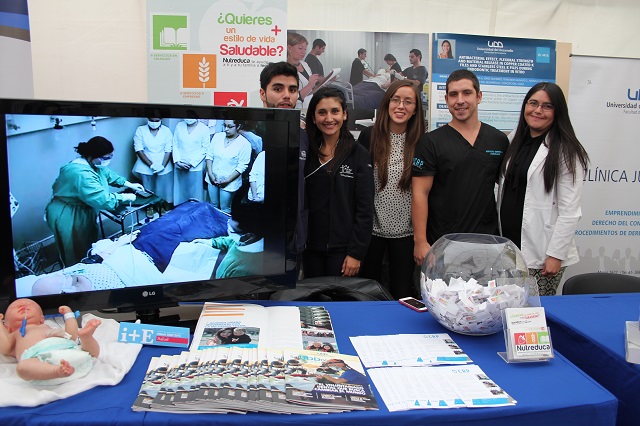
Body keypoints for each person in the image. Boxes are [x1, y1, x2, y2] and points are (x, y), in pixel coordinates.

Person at [498, 82, 589, 296]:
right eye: (533, 103)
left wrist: (556, 255)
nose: (538, 110)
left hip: (542, 254)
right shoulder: (515, 139)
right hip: (510, 248)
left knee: (534, 310)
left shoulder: (566, 151)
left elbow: (570, 210)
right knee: (508, 307)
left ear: (558, 112)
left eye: (547, 106)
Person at [412, 69, 509, 266]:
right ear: (446, 99)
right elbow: (420, 193)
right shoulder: (431, 142)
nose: (460, 100)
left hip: (487, 244)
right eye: (453, 94)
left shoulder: (498, 140)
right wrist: (420, 241)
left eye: (467, 93)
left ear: (479, 96)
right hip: (443, 245)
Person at [359, 80, 425, 298]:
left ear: (416, 109)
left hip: (406, 234)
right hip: (371, 233)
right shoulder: (369, 136)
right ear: (387, 103)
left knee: (403, 294)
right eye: (395, 100)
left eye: (408, 102)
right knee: (369, 295)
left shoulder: (423, 143)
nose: (401, 106)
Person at [303, 87, 374, 278]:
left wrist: (356, 253)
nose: (329, 118)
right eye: (322, 112)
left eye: (335, 111)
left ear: (344, 114)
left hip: (343, 253)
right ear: (313, 117)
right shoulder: (305, 152)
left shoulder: (358, 154)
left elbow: (365, 209)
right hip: (309, 249)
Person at [45, 136, 144, 266]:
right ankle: (79, 272)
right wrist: (124, 197)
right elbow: (103, 200)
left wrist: (128, 183)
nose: (107, 161)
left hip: (82, 210)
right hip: (68, 214)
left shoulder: (93, 164)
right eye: (105, 158)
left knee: (87, 242)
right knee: (75, 248)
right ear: (92, 155)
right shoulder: (81, 173)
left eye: (110, 157)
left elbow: (107, 174)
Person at [259, 61, 308, 268]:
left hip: (293, 241)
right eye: (278, 89)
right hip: (257, 239)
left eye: (293, 90)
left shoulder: (304, 136)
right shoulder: (254, 132)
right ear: (263, 93)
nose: (287, 95)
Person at [0, 298, 101, 382]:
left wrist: (69, 315)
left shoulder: (47, 327)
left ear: (42, 319)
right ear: (7, 327)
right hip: (38, 359)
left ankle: (86, 337)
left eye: (29, 305)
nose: (22, 306)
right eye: (14, 307)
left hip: (65, 349)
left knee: (92, 353)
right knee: (22, 368)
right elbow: (4, 347)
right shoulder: (14, 335)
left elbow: (71, 336)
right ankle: (56, 371)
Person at [192, 186, 265, 279]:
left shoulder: (244, 270)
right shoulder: (244, 240)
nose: (229, 229)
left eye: (233, 230)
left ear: (249, 236)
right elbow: (231, 241)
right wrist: (210, 242)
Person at [205, 119, 251, 213]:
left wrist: (227, 180)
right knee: (213, 205)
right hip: (212, 178)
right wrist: (210, 174)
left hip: (230, 182)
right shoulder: (217, 137)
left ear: (238, 126)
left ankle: (224, 223)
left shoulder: (245, 144)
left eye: (230, 127)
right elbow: (209, 156)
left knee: (225, 208)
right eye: (224, 125)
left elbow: (242, 166)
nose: (226, 129)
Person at [131, 116, 174, 209]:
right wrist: (151, 165)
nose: (154, 123)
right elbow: (138, 149)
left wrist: (163, 166)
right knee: (147, 188)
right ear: (147, 119)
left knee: (163, 188)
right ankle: (149, 207)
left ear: (161, 120)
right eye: (151, 120)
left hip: (163, 162)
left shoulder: (166, 131)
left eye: (157, 120)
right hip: (145, 163)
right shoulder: (141, 130)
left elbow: (168, 150)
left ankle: (162, 206)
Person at [172, 115, 210, 205]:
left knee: (195, 193)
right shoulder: (179, 126)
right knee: (180, 191)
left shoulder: (204, 129)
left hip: (195, 166)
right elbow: (175, 144)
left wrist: (191, 163)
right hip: (180, 164)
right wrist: (178, 161)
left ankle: (194, 209)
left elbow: (205, 148)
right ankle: (180, 209)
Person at [287, 32, 319, 108]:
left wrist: (316, 86)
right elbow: (291, 96)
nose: (303, 52)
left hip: (308, 106)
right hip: (296, 108)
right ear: (289, 48)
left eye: (305, 49)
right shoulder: (284, 68)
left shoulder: (305, 64)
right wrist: (310, 85)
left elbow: (310, 89)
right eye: (300, 48)